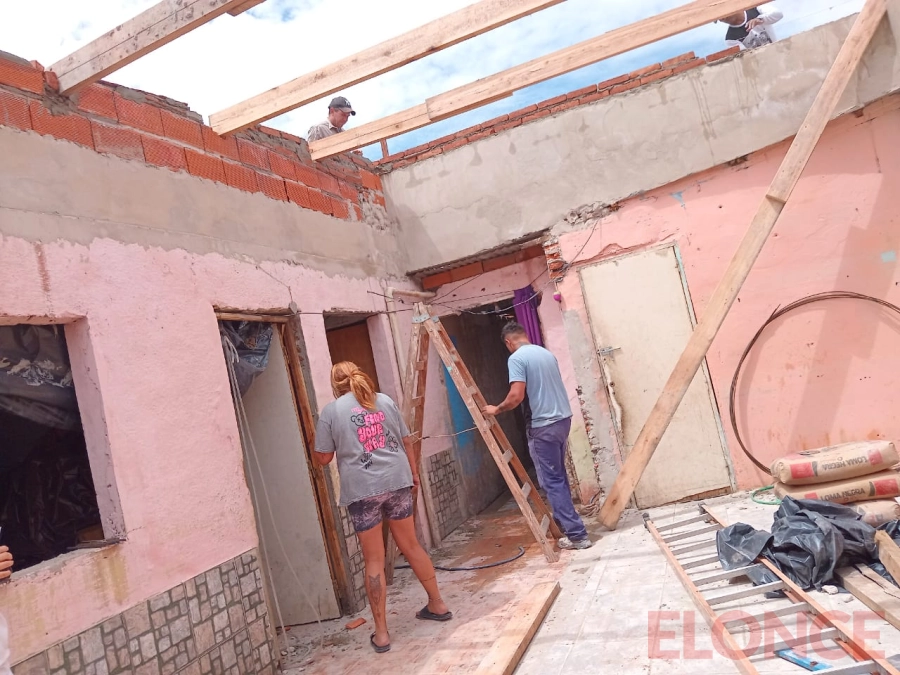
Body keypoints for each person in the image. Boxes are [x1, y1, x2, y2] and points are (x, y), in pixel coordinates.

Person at [314, 362, 451, 653]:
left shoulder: (332, 411)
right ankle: (438, 605)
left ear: (336, 385)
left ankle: (382, 634)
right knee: (412, 545)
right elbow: (406, 442)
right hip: (397, 479)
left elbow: (323, 458)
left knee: (374, 560)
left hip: (363, 490)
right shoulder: (384, 400)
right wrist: (413, 474)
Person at [482, 322, 592, 551]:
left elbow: (516, 396)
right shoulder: (545, 353)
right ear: (525, 335)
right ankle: (565, 523)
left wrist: (496, 409)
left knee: (551, 481)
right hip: (562, 420)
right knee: (558, 476)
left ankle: (577, 536)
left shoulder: (517, 359)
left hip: (543, 425)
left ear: (508, 342)